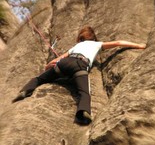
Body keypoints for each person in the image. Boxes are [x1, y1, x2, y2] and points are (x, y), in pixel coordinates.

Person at [12, 26, 146, 125]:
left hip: (64, 64)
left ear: (81, 38)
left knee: (39, 79)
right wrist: (139, 45)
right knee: (84, 92)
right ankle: (83, 113)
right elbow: (118, 43)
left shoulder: (76, 46)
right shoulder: (97, 44)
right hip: (80, 65)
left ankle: (25, 91)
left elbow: (56, 60)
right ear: (93, 38)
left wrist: (48, 67)